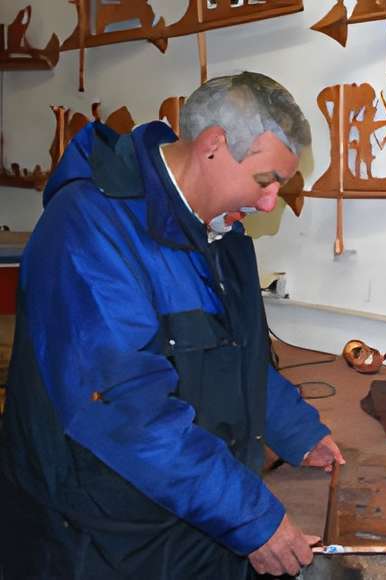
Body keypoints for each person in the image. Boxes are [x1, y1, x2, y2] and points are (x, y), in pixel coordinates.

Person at [0, 72, 344, 579]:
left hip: (185, 507)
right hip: (95, 533)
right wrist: (251, 517)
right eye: (265, 181)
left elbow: (239, 352)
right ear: (213, 146)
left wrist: (296, 431)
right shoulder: (89, 231)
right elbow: (127, 412)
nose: (271, 202)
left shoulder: (222, 233)